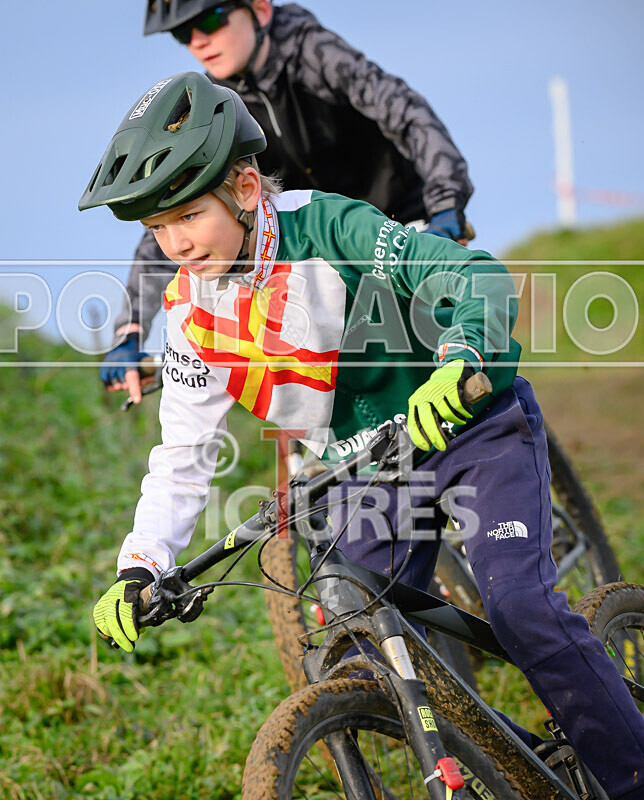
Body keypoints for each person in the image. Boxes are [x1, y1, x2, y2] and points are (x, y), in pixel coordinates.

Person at [82, 74, 643, 799]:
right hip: (367, 473)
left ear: (247, 190)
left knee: (520, 609)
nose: (174, 243)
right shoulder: (192, 318)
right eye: (157, 229)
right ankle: (497, 759)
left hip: (468, 427)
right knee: (357, 648)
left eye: (188, 216)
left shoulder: (332, 227)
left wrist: (462, 356)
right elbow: (183, 460)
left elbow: (471, 277)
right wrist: (142, 564)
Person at [101, 0, 475, 404]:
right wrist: (130, 329)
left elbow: (406, 113)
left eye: (210, 20)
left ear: (260, 10)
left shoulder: (311, 52)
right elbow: (173, 209)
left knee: (434, 345)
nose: (198, 41)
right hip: (312, 246)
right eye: (182, 34)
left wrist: (445, 208)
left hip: (397, 219)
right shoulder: (214, 108)